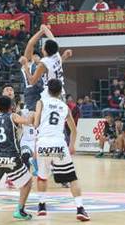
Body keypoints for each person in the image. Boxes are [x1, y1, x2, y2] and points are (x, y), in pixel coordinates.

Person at [33, 79, 90, 221]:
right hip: (59, 144)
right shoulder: (65, 107)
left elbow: (36, 123)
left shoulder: (41, 102)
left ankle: (41, 206)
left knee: (42, 176)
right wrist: (72, 145)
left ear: (48, 90)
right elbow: (74, 130)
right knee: (72, 178)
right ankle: (80, 209)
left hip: (43, 143)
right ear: (60, 92)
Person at [21, 25, 68, 100]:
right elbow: (50, 38)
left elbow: (32, 81)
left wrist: (26, 67)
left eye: (43, 46)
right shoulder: (56, 54)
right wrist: (44, 28)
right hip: (59, 91)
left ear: (45, 51)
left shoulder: (44, 62)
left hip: (50, 93)